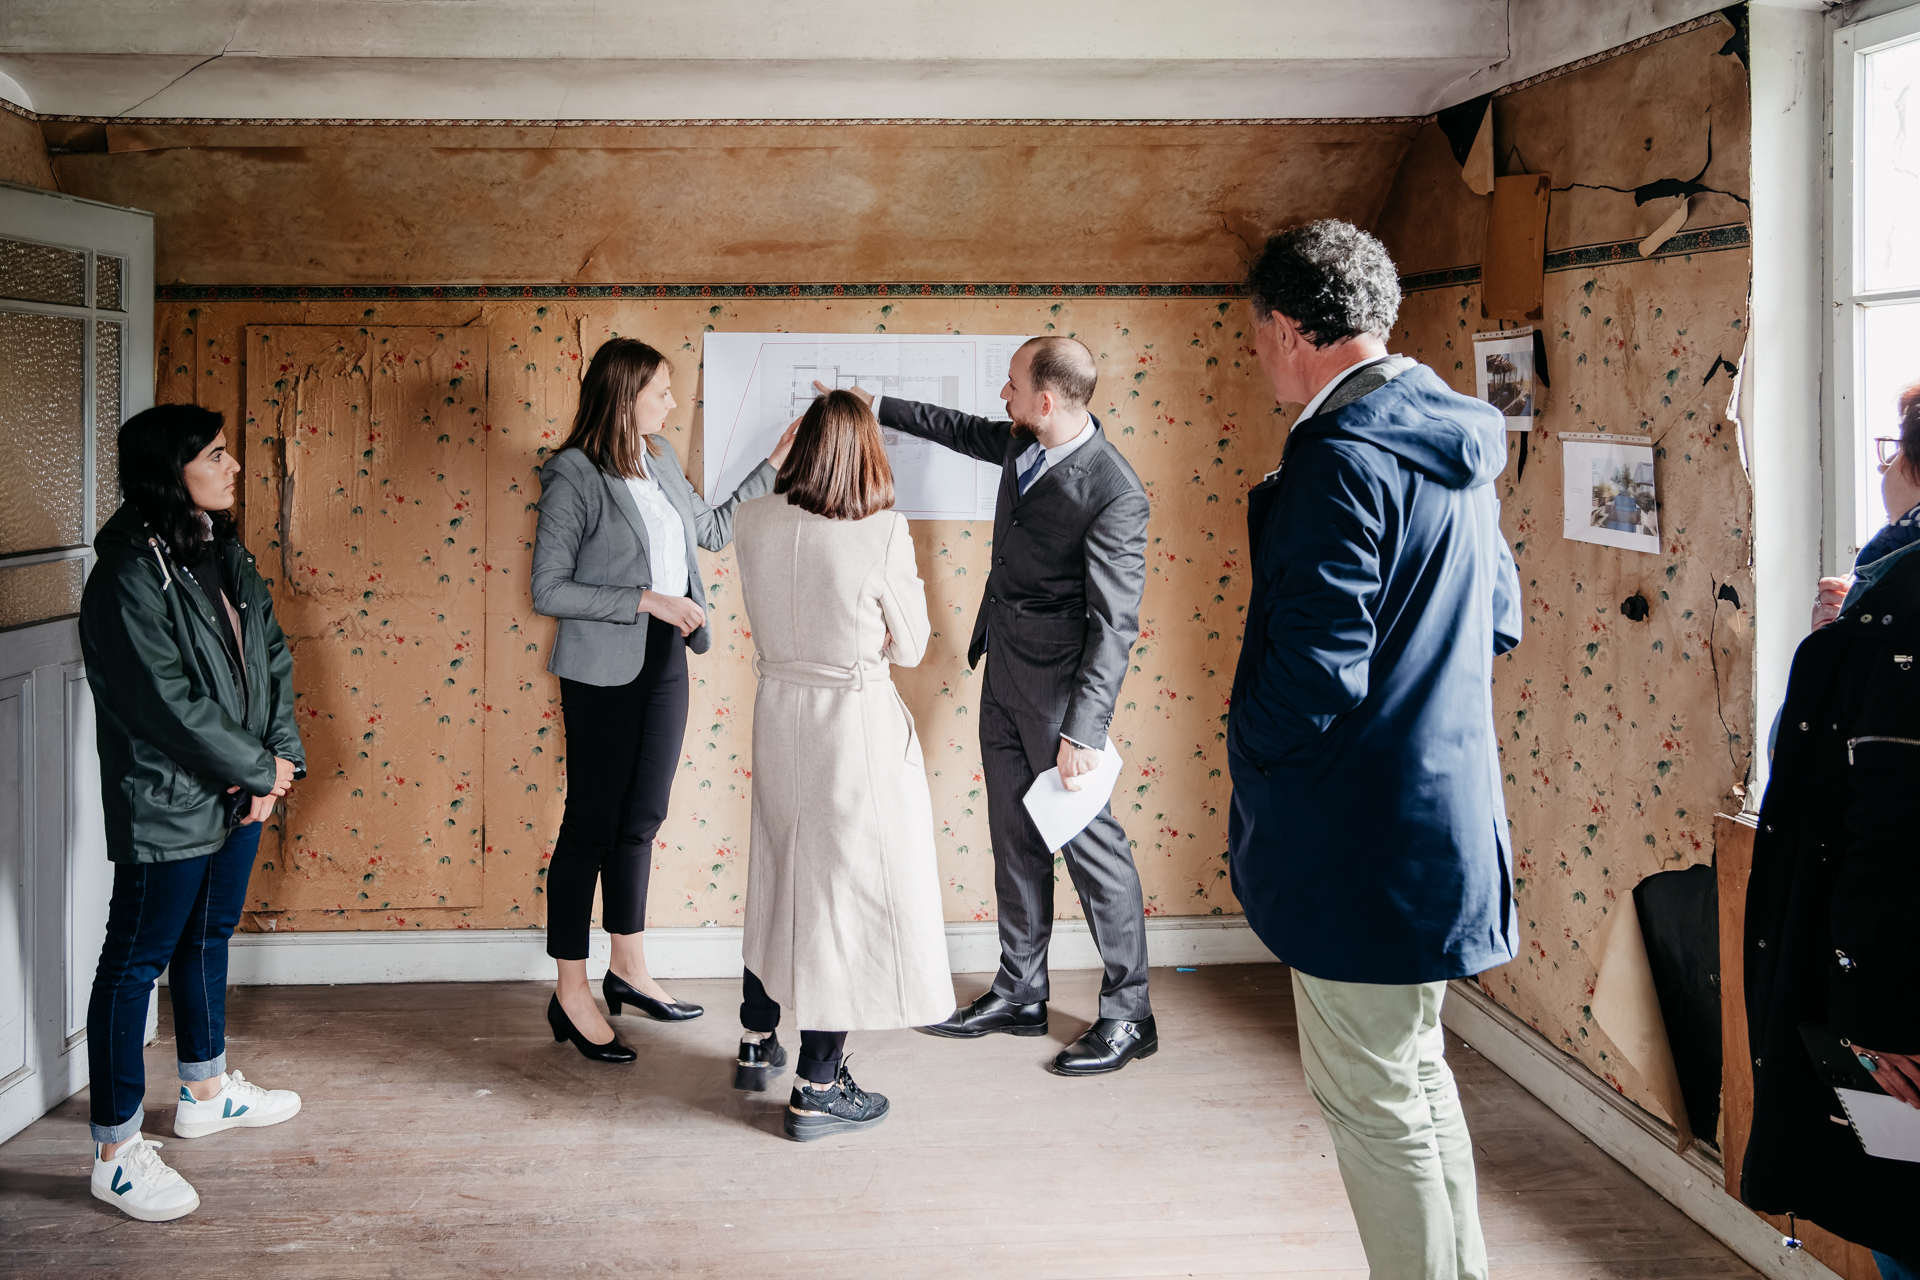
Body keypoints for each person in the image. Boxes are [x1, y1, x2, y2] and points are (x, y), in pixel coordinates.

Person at [1225, 220, 1521, 1279]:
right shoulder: (1457, 443)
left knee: (1375, 1100)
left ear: (1296, 329)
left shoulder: (1341, 459)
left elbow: (1314, 671)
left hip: (1362, 837)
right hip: (1445, 821)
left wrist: (1244, 746)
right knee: (1411, 1079)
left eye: (1257, 334)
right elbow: (1498, 618)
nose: (1257, 354)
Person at [836, 335, 1155, 1076]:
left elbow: (1114, 625)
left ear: (1047, 400)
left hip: (1061, 701)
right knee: (1013, 840)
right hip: (1002, 674)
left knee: (1092, 851)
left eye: (1011, 387)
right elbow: (954, 427)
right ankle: (1020, 993)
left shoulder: (1115, 490)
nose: (1001, 399)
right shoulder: (1021, 441)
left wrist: (1085, 728)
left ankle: (1130, 1012)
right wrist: (871, 405)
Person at [530, 338, 795, 1062]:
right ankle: (570, 988)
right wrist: (647, 599)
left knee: (641, 817)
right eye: (662, 391)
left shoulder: (664, 459)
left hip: (665, 661)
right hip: (601, 668)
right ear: (625, 394)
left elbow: (709, 532)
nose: (672, 403)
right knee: (590, 821)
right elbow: (547, 588)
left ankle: (629, 967)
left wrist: (775, 463)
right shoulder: (573, 475)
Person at [79, 404, 308, 1222]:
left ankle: (206, 1091)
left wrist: (273, 769)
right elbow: (163, 704)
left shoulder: (220, 546)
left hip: (238, 788)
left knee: (208, 935)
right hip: (169, 801)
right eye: (215, 454)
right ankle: (115, 1152)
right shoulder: (126, 574)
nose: (233, 464)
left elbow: (271, 658)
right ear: (168, 468)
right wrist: (254, 768)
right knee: (134, 964)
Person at [729, 389, 953, 1140]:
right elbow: (915, 646)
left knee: (778, 865)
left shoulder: (754, 521)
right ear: (867, 452)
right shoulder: (880, 532)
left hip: (778, 713)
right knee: (842, 895)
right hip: (850, 726)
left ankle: (757, 1036)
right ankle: (818, 1086)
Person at [1744, 378, 1920, 1280]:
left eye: (1892, 446)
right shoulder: (1882, 600)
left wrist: (1876, 1018)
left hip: (1903, 1004)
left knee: (1905, 1216)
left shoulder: (1904, 608)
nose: (1883, 463)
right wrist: (1834, 650)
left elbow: (1884, 829)